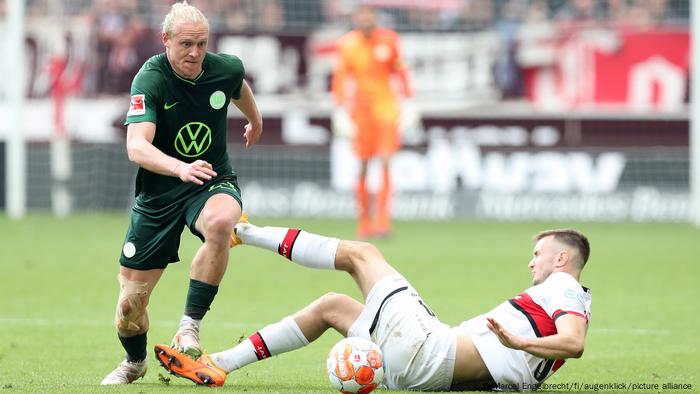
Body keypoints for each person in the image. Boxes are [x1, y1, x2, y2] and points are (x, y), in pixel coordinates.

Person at [155, 221, 592, 391]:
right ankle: (218, 364)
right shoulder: (561, 301)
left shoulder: (564, 286)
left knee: (362, 254)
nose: (531, 261)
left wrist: (515, 340)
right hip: (422, 373)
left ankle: (243, 233)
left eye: (539, 254)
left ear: (561, 259)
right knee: (331, 307)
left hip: (430, 350)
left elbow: (573, 344)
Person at [101, 1, 263, 385]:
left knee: (223, 221)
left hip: (210, 179)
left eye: (202, 44)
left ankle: (189, 327)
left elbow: (238, 87)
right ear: (166, 40)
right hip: (159, 195)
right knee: (129, 307)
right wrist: (178, 167)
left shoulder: (223, 67)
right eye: (186, 44)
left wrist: (254, 121)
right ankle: (135, 361)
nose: (194, 53)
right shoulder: (150, 79)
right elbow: (136, 147)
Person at [331, 5, 413, 239]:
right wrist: (339, 110)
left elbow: (402, 72)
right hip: (361, 113)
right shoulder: (348, 44)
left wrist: (409, 102)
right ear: (356, 17)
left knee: (386, 162)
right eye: (362, 14)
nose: (366, 19)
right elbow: (340, 78)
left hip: (386, 111)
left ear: (374, 17)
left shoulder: (389, 40)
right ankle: (364, 222)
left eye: (369, 14)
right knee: (364, 165)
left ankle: (383, 222)